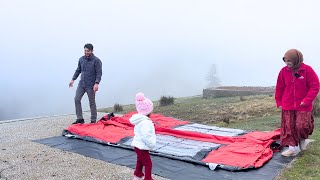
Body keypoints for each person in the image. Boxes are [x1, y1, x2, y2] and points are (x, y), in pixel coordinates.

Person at [275, 49, 319, 156]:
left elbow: (315, 86)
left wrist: (307, 100)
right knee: (289, 127)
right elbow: (280, 87)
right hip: (287, 104)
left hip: (303, 105)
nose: (287, 63)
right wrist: (279, 101)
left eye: (289, 61)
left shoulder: (307, 70)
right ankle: (292, 149)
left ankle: (302, 138)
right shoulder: (283, 71)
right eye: (285, 61)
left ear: (296, 59)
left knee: (301, 126)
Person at [69, 43, 102, 124]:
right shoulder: (81, 59)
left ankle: (93, 120)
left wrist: (96, 83)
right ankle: (80, 118)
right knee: (76, 99)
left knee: (92, 102)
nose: (86, 52)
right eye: (85, 50)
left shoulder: (97, 61)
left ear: (92, 51)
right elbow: (78, 70)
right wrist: (73, 79)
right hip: (82, 84)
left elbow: (99, 73)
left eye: (88, 51)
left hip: (91, 85)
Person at [129, 92, 156, 180]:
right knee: (148, 163)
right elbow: (146, 137)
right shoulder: (146, 122)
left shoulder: (140, 120)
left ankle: (138, 174)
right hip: (142, 146)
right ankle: (148, 178)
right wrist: (151, 144)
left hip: (137, 145)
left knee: (140, 160)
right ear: (149, 110)